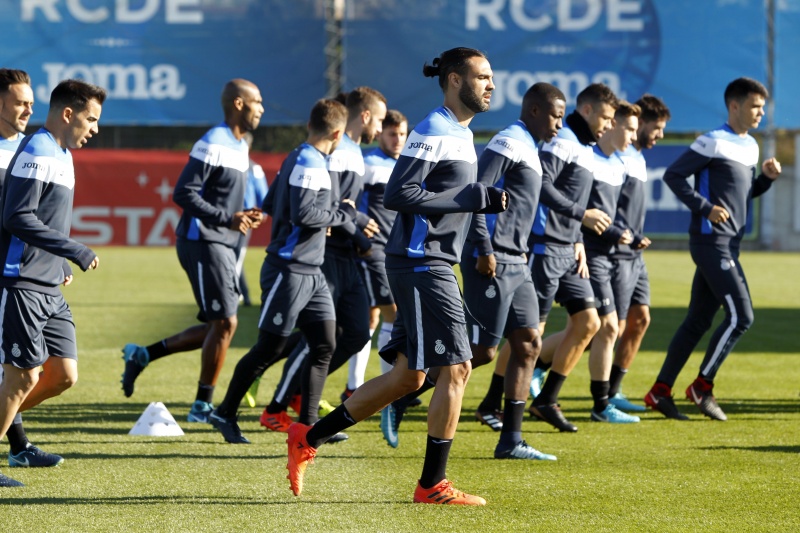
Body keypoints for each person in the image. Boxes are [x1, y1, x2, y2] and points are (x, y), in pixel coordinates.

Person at [284, 47, 506, 505]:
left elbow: (454, 197)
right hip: (421, 262)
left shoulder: (461, 133)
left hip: (430, 262)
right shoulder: (434, 129)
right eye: (482, 77)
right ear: (454, 80)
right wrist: (470, 198)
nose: (490, 84)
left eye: (490, 77)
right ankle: (432, 485)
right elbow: (400, 193)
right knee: (458, 368)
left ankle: (307, 437)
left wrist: (476, 205)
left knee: (408, 377)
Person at [208, 98, 357, 444]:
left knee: (324, 344)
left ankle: (309, 428)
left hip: (311, 271)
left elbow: (273, 204)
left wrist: (323, 218)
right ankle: (224, 412)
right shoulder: (311, 161)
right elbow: (304, 214)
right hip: (289, 270)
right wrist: (340, 215)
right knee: (269, 348)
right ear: (337, 134)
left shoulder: (297, 156)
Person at [120, 79, 264, 423]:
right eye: (257, 101)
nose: (262, 108)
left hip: (222, 243)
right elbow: (184, 193)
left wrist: (243, 215)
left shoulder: (239, 145)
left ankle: (142, 355)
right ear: (239, 104)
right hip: (202, 242)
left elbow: (223, 200)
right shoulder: (213, 142)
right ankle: (202, 406)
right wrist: (227, 219)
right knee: (225, 322)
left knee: (219, 324)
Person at [644, 78, 781, 421]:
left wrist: (765, 180)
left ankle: (660, 391)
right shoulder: (712, 141)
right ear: (734, 106)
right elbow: (673, 176)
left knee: (698, 321)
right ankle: (702, 387)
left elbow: (743, 196)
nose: (760, 113)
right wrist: (705, 208)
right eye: (755, 106)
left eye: (762, 108)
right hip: (711, 242)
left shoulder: (750, 147)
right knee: (741, 317)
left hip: (729, 244)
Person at [257, 87, 385, 437]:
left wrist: (357, 232)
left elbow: (343, 208)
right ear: (365, 116)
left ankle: (302, 395)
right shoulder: (333, 153)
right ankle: (278, 406)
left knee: (355, 332)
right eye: (380, 120)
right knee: (315, 338)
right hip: (324, 256)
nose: (381, 128)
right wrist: (360, 233)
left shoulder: (352, 151)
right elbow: (329, 209)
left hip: (347, 258)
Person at [0, 78, 104, 488]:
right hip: (22, 282)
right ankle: (15, 443)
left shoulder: (62, 154)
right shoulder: (38, 150)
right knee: (22, 377)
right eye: (91, 119)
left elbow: (48, 218)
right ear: (68, 113)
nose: (95, 128)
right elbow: (17, 217)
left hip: (50, 285)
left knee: (62, 374)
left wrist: (58, 259)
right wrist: (73, 249)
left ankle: (14, 436)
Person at [458, 82, 566, 460]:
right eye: (556, 116)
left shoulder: (531, 148)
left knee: (529, 343)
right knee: (482, 352)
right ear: (534, 111)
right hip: (492, 260)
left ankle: (510, 441)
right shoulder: (509, 141)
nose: (559, 124)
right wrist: (484, 248)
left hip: (517, 261)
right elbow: (476, 192)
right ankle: (403, 392)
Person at [526, 83, 618, 432]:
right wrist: (582, 217)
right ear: (588, 110)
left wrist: (577, 237)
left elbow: (570, 196)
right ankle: (494, 403)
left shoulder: (584, 146)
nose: (609, 125)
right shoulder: (563, 139)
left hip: (568, 249)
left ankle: (546, 400)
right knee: (527, 337)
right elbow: (542, 185)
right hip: (544, 247)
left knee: (589, 323)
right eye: (606, 118)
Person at [0, 69, 68, 471]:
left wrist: (58, 258)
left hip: (21, 275)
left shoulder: (31, 149)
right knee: (14, 370)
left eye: (31, 102)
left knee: (27, 371)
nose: (29, 109)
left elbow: (39, 217)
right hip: (8, 277)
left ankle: (19, 445)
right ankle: (19, 445)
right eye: (20, 102)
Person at [606, 94, 671, 412]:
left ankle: (613, 391)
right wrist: (623, 235)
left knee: (641, 319)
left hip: (636, 255)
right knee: (606, 328)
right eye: (656, 128)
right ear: (640, 122)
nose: (660, 135)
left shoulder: (638, 157)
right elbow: (605, 206)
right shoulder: (617, 156)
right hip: (617, 253)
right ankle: (540, 367)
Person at [579, 101, 641, 424]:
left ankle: (542, 377)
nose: (634, 136)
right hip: (587, 254)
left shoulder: (618, 164)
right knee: (605, 327)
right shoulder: (586, 158)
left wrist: (626, 234)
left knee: (594, 328)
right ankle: (601, 405)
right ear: (613, 125)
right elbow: (581, 210)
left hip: (608, 254)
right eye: (629, 128)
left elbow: (611, 215)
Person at [236, 132, 269, 308]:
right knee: (231, 258)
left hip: (244, 220)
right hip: (226, 218)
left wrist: (260, 215)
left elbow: (265, 200)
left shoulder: (254, 169)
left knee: (236, 258)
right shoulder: (225, 164)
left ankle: (237, 295)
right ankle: (243, 295)